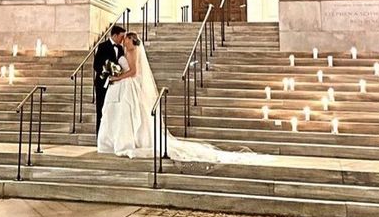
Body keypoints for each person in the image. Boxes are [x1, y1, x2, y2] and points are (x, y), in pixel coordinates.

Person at [97, 31, 258, 162]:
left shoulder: (132, 51)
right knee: (125, 115)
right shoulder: (126, 50)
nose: (124, 40)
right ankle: (122, 139)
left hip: (128, 85)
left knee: (130, 114)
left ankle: (130, 141)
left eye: (126, 39)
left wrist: (116, 77)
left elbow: (133, 72)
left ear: (132, 41)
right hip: (124, 87)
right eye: (123, 38)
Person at [93, 24, 125, 134]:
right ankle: (99, 136)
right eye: (121, 36)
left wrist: (117, 72)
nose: (123, 39)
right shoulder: (102, 46)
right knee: (101, 109)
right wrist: (107, 71)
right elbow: (96, 65)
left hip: (116, 84)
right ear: (115, 35)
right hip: (103, 83)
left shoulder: (121, 48)